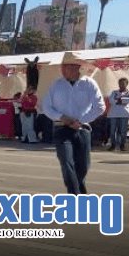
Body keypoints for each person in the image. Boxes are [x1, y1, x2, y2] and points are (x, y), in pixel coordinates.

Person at [41, 52, 105, 195]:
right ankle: (74, 198)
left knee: (83, 167)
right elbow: (46, 106)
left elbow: (100, 107)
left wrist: (80, 121)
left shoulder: (89, 83)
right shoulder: (56, 85)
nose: (63, 70)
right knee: (67, 163)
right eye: (62, 67)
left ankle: (80, 198)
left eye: (66, 67)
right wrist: (61, 117)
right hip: (62, 130)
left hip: (82, 130)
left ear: (77, 67)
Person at [107, 78, 129, 152]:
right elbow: (111, 100)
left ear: (126, 84)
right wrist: (121, 100)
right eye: (120, 83)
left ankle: (122, 145)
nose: (121, 85)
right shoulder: (114, 92)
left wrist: (118, 100)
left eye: (123, 83)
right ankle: (113, 145)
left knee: (122, 131)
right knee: (112, 131)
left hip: (124, 114)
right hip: (113, 114)